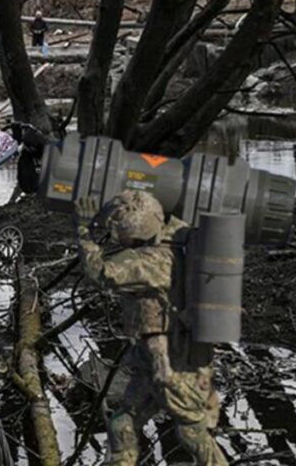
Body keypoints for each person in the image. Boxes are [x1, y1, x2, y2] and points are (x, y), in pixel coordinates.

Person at [74, 191, 226, 466]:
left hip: (169, 363)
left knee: (192, 431)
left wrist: (84, 231)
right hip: (152, 359)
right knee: (124, 422)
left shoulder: (145, 264)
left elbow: (100, 273)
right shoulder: (174, 237)